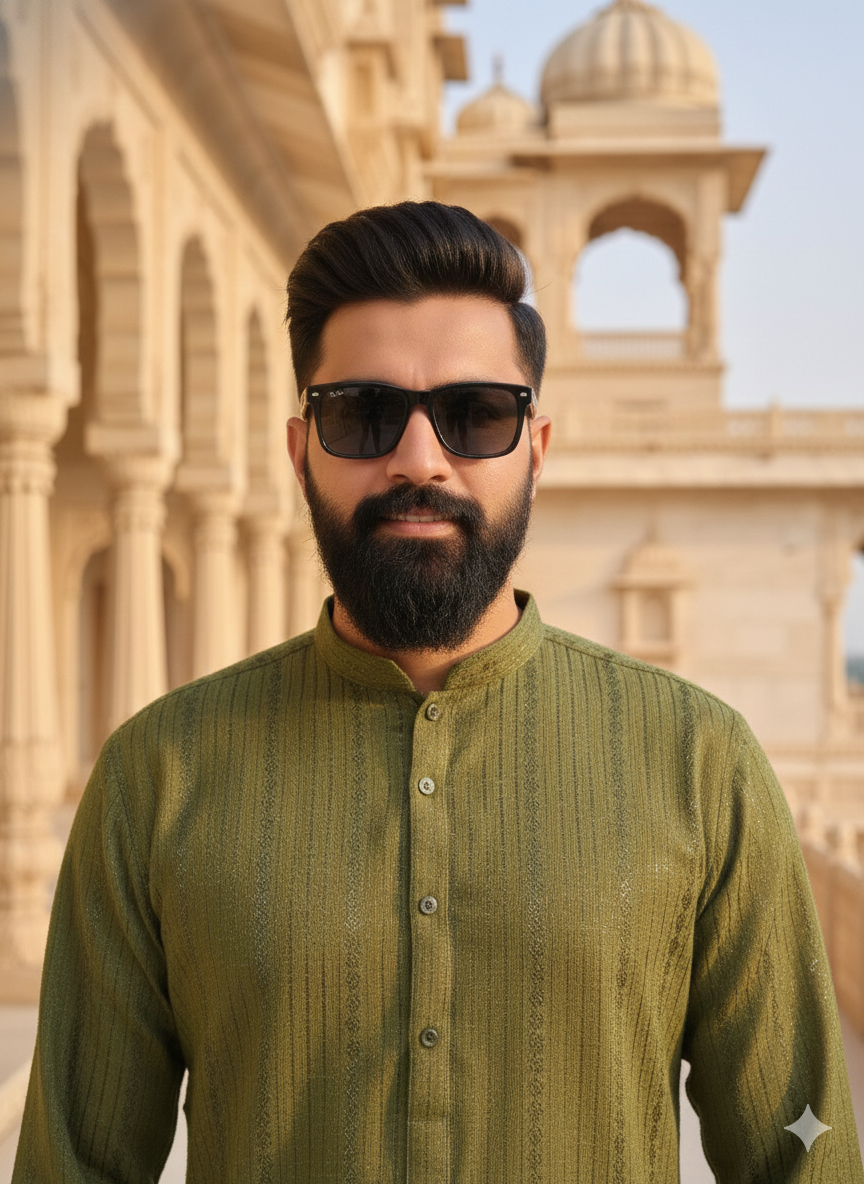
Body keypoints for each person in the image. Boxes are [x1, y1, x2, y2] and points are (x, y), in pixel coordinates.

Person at [13, 202, 863, 1183]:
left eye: (476, 416)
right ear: (300, 450)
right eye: (363, 415)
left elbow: (801, 1148)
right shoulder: (161, 775)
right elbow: (73, 1162)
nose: (420, 459)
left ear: (537, 444)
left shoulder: (698, 765)